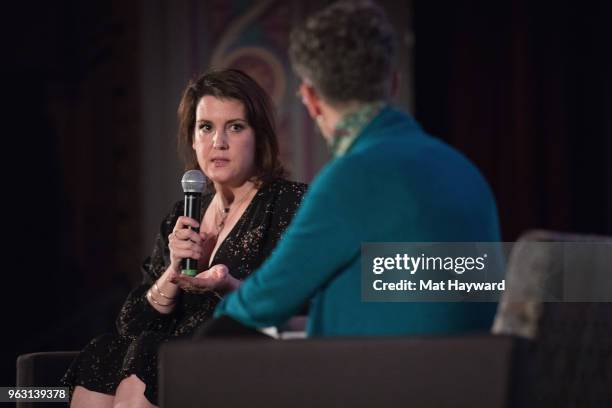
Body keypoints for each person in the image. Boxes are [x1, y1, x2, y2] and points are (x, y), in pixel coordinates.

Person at [210, 0, 502, 336]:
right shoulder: (464, 169)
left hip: (381, 381)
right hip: (471, 379)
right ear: (392, 84)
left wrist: (217, 314)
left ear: (311, 98)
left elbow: (265, 301)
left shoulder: (350, 179)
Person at [61, 69, 307, 407]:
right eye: (206, 127)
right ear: (192, 138)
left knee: (151, 351)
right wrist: (172, 271)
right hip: (167, 354)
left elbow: (297, 305)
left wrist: (227, 284)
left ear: (259, 137)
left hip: (237, 359)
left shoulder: (288, 203)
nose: (218, 142)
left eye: (235, 127)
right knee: (105, 350)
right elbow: (130, 324)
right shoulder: (183, 214)